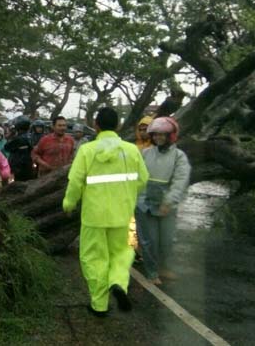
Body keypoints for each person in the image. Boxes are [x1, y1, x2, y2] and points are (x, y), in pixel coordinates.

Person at [62, 107, 148, 317]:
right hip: (125, 216)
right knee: (124, 252)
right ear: (118, 126)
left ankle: (99, 305)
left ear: (96, 125)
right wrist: (126, 194)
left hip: (94, 216)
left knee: (93, 258)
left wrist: (68, 204)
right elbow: (143, 180)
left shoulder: (87, 150)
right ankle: (118, 282)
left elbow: (75, 181)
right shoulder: (131, 150)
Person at [135, 117, 191, 285]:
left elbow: (181, 180)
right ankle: (152, 272)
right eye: (155, 135)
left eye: (163, 135)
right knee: (149, 240)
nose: (158, 138)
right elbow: (137, 177)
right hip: (144, 204)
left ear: (171, 136)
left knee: (167, 240)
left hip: (166, 205)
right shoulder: (145, 153)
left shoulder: (179, 156)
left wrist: (169, 201)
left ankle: (163, 267)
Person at [5, 116, 35, 181]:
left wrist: (10, 135)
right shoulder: (31, 137)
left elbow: (6, 147)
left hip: (18, 168)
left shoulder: (18, 139)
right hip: (29, 166)